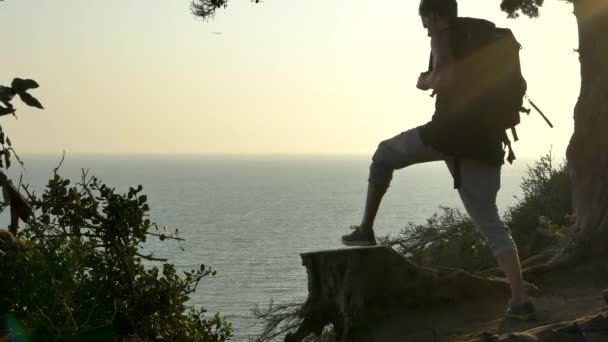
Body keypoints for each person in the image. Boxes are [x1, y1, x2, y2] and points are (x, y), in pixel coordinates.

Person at [340, 0, 536, 320]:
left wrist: (426, 80)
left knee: (383, 155)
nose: (425, 28)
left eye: (425, 21)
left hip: (448, 135)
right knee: (492, 224)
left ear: (435, 16)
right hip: (487, 142)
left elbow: (447, 77)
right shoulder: (482, 37)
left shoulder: (443, 35)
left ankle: (365, 230)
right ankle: (520, 300)